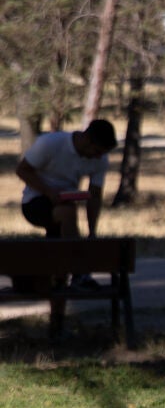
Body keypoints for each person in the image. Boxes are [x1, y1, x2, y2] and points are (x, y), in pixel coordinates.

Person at [16, 119, 118, 289]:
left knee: (58, 262)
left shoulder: (100, 159)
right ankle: (79, 273)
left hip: (65, 202)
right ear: (87, 139)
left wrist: (92, 231)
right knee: (68, 211)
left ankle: (59, 291)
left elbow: (95, 195)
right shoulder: (51, 143)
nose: (98, 157)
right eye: (97, 151)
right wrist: (49, 192)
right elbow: (22, 170)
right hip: (35, 202)